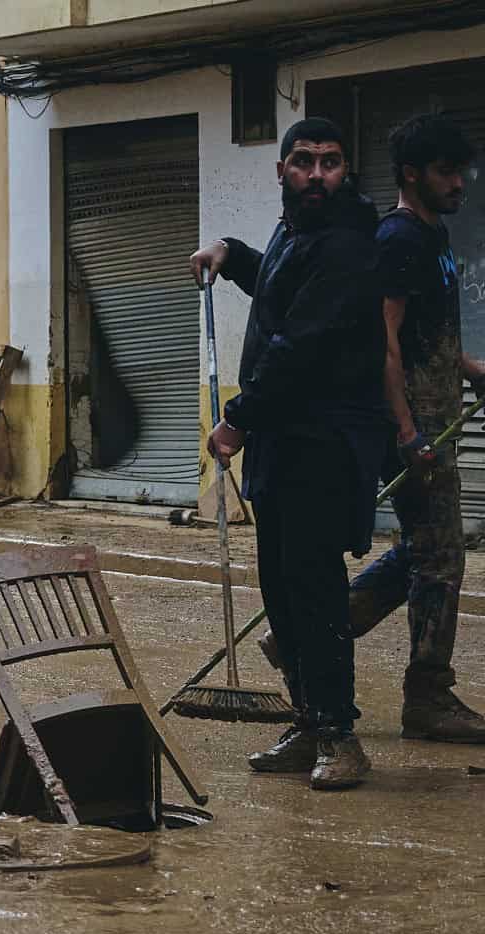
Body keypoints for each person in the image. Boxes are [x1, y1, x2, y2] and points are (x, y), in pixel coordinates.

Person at [257, 115, 485, 744]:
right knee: (438, 553)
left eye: (460, 169)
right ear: (413, 174)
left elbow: (418, 333)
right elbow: (381, 340)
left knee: (427, 546)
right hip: (405, 425)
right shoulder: (397, 240)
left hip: (430, 416)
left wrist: (467, 367)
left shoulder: (429, 236)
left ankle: (327, 623)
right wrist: (407, 432)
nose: (459, 182)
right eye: (446, 171)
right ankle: (427, 696)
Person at [190, 117, 389, 790]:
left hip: (323, 444)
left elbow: (300, 344)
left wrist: (236, 420)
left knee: (315, 592)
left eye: (330, 163)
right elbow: (279, 292)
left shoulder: (349, 244)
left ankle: (340, 735)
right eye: (304, 162)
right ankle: (308, 724)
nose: (316, 174)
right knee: (280, 587)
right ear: (282, 171)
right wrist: (233, 253)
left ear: (345, 172)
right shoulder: (293, 233)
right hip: (283, 443)